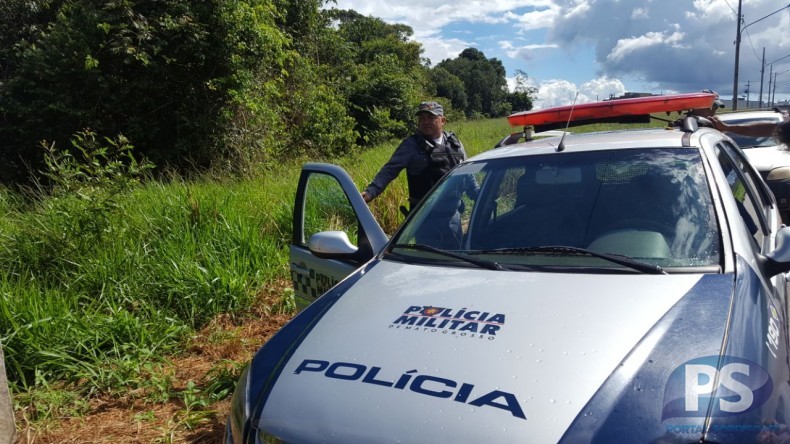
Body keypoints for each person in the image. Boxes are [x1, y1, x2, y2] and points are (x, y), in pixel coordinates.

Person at [361, 101, 474, 211]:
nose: (425, 122)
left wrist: (479, 195)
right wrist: (371, 192)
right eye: (421, 118)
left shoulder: (455, 144)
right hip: (423, 217)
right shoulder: (411, 145)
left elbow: (467, 173)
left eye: (430, 117)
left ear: (443, 120)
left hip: (452, 213)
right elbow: (390, 170)